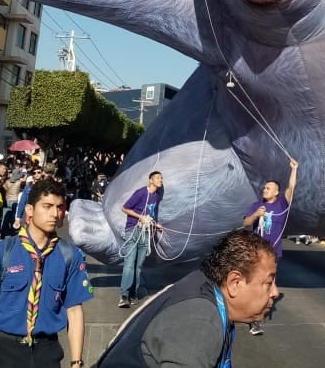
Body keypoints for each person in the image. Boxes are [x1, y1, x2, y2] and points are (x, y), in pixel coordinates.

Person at [96, 229, 278, 368]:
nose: (275, 292)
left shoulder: (201, 284)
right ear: (235, 282)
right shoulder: (200, 322)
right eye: (269, 283)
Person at [0, 178, 92, 368]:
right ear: (30, 210)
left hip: (47, 351)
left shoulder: (70, 256)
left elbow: (74, 311)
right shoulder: (0, 252)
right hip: (3, 350)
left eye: (59, 207)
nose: (54, 214)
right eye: (47, 206)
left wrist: (76, 362)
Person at [241, 158, 297, 334]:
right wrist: (256, 215)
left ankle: (255, 317)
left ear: (276, 192)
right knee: (257, 285)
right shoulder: (257, 205)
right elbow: (245, 223)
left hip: (273, 254)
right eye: (264, 188)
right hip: (257, 253)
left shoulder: (282, 204)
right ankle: (252, 316)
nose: (264, 190)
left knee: (264, 286)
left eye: (268, 188)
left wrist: (294, 170)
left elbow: (291, 188)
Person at [118, 171, 165, 309]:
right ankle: (124, 296)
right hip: (133, 230)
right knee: (130, 263)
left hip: (146, 231)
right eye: (158, 178)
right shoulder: (141, 193)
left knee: (139, 265)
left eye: (161, 178)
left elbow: (151, 215)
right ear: (151, 180)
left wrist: (155, 225)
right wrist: (140, 217)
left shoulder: (156, 197)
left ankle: (133, 293)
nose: (160, 180)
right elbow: (125, 208)